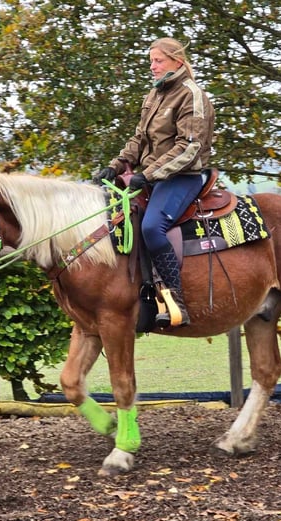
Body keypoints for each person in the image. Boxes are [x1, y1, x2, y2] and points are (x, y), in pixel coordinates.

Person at [94, 38, 215, 327]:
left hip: (184, 175)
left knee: (151, 227)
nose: (153, 66)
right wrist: (116, 166)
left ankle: (176, 301)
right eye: (151, 60)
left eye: (158, 60)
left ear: (177, 61)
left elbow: (189, 148)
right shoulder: (155, 94)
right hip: (155, 175)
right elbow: (139, 139)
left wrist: (148, 175)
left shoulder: (191, 95)